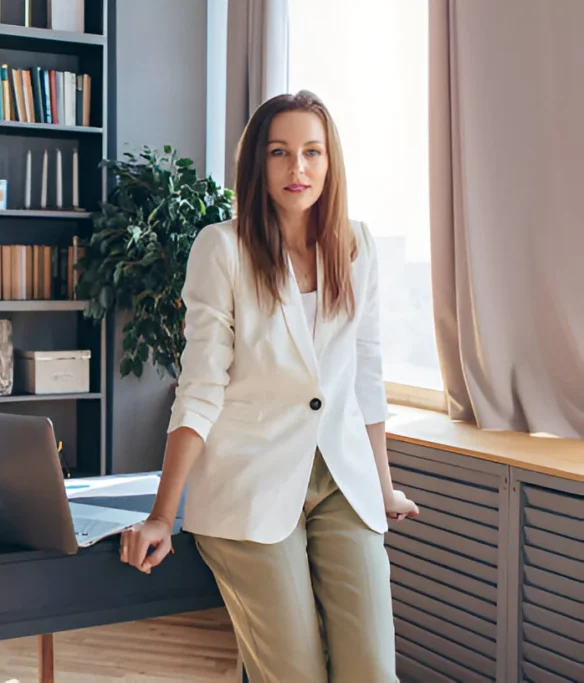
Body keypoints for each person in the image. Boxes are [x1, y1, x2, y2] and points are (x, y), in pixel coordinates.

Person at [119, 90, 419, 683]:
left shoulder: (355, 245)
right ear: (258, 163)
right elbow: (201, 387)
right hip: (248, 485)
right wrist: (162, 513)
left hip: (340, 481)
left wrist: (382, 486)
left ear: (331, 163)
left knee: (372, 673)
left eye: (312, 152)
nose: (297, 168)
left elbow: (364, 372)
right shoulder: (222, 248)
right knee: (296, 674)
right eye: (280, 152)